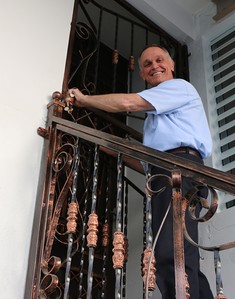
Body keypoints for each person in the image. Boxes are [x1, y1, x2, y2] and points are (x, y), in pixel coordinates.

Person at [67, 45, 214, 299]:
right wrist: (112, 149)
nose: (154, 65)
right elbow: (147, 165)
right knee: (181, 252)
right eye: (147, 64)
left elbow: (127, 102)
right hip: (168, 169)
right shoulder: (157, 120)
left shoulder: (179, 87)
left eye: (159, 60)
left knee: (171, 252)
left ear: (171, 66)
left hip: (178, 169)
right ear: (144, 74)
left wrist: (84, 100)